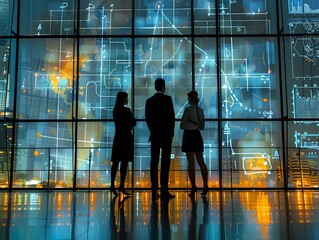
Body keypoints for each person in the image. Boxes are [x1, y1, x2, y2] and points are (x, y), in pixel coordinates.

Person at [145, 78, 175, 200]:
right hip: (166, 135)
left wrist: (152, 130)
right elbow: (171, 118)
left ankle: (154, 188)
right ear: (163, 87)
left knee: (154, 161)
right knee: (165, 162)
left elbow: (148, 118)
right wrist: (171, 133)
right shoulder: (167, 99)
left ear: (155, 87)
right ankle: (164, 189)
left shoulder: (149, 101)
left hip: (155, 135)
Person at [180, 90, 209, 196]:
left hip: (188, 136)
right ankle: (205, 185)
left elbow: (182, 126)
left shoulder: (187, 110)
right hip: (197, 136)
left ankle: (193, 187)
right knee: (201, 161)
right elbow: (202, 127)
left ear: (189, 99)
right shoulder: (200, 110)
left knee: (191, 163)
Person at [110, 91, 136, 196]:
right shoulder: (127, 110)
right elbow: (134, 122)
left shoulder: (115, 110)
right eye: (127, 98)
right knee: (124, 163)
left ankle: (112, 185)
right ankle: (121, 186)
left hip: (118, 138)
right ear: (123, 99)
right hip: (126, 138)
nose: (128, 99)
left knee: (115, 162)